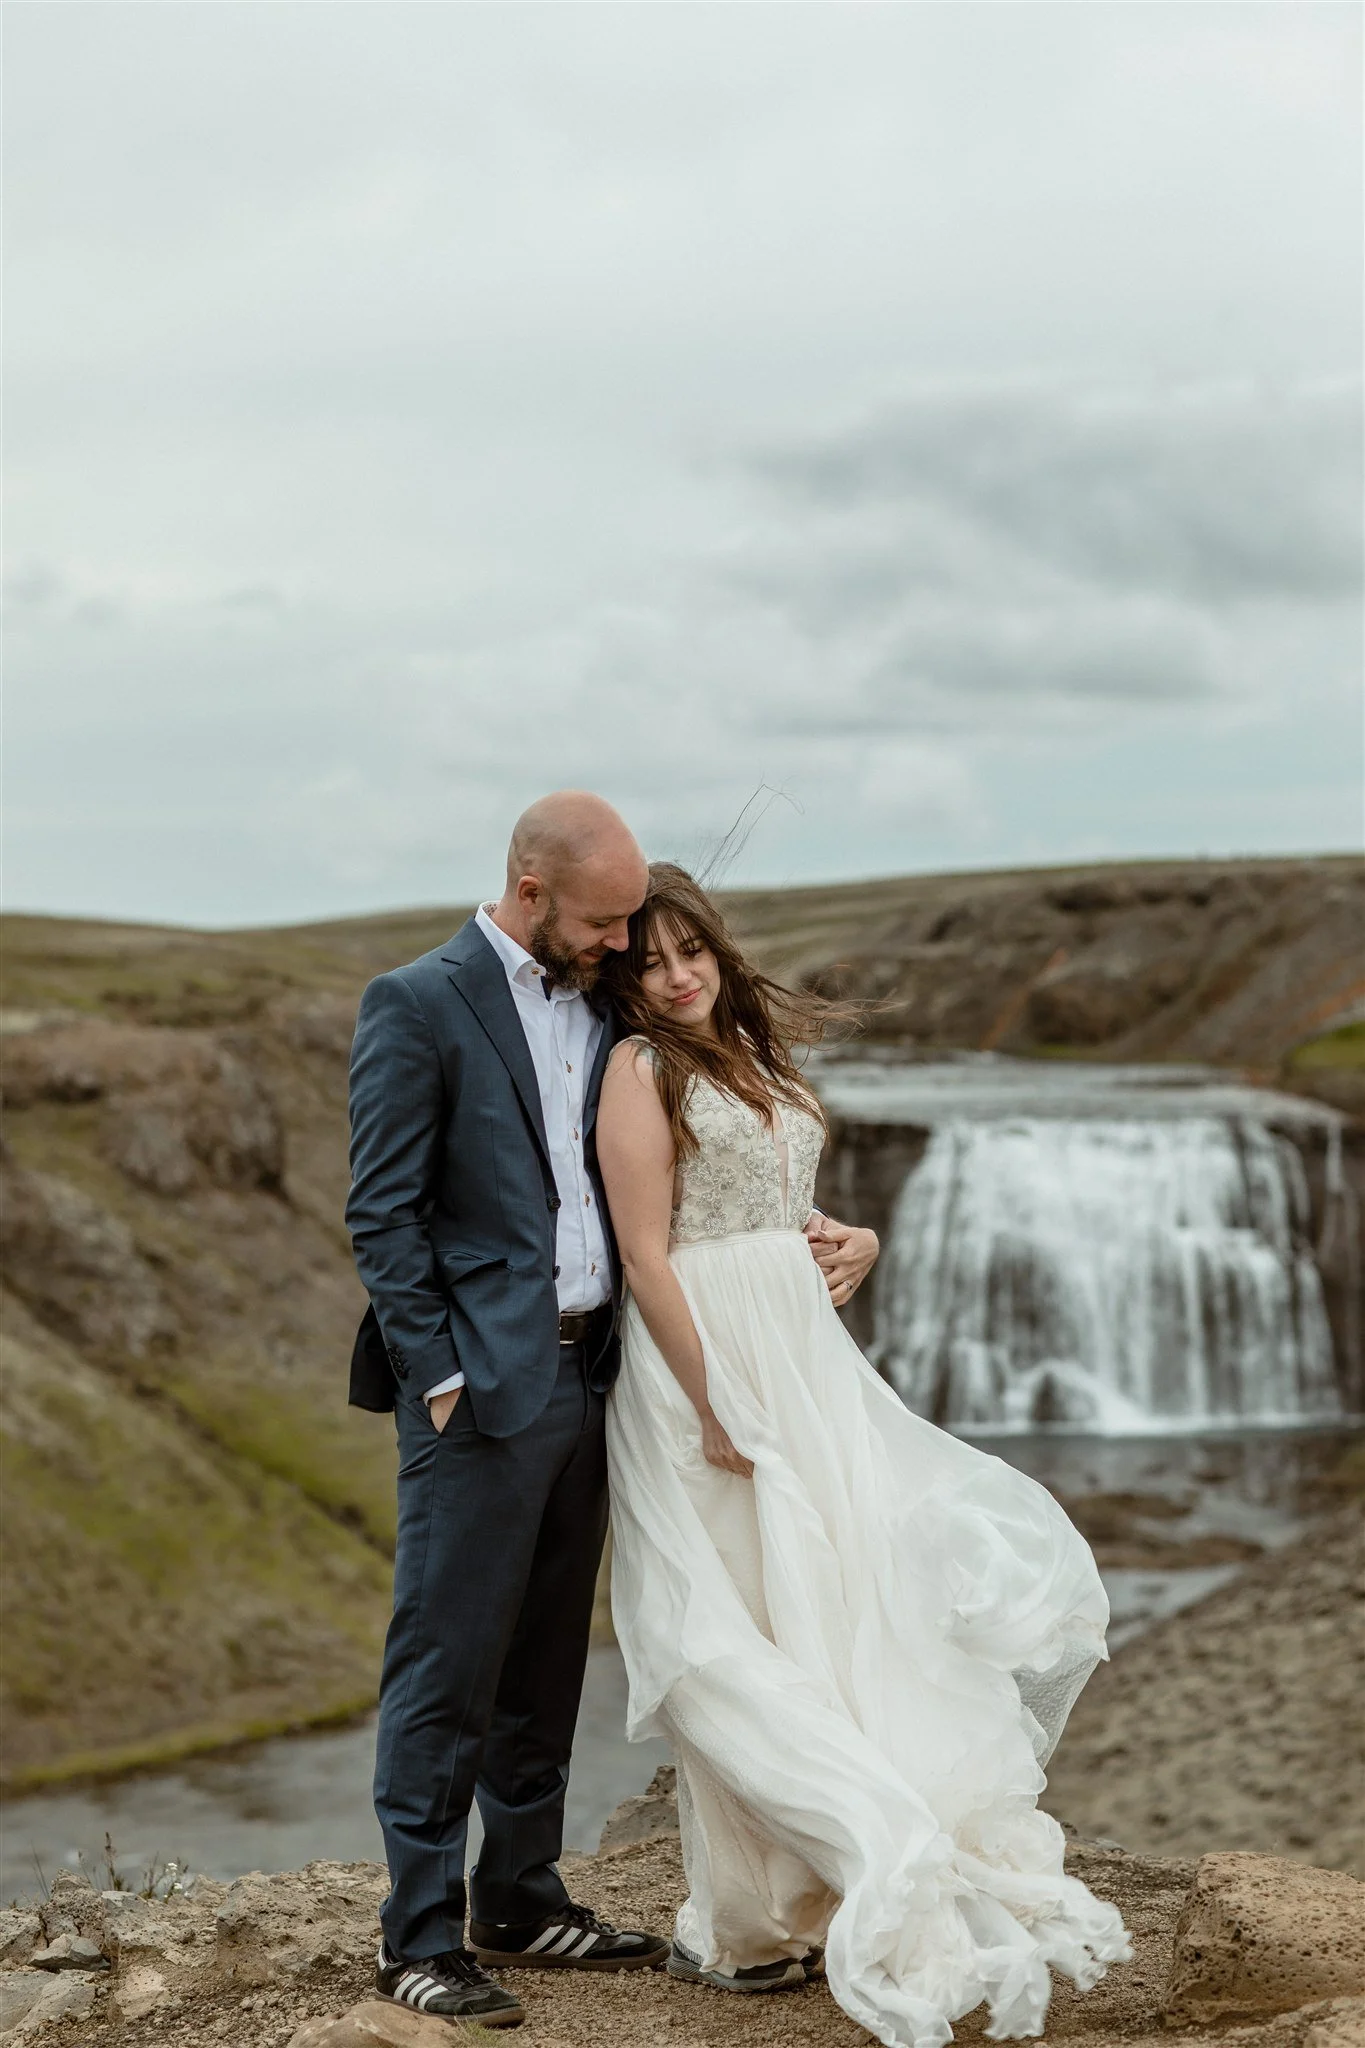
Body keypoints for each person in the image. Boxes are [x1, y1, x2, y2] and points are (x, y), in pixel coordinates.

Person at [345, 796, 877, 2027]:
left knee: (544, 1650)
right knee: (448, 1655)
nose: (622, 939)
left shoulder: (603, 997)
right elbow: (385, 1212)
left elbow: (698, 1179)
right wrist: (439, 1373)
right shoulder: (416, 1003)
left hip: (604, 1374)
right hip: (481, 1386)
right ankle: (417, 1935)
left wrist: (821, 1233)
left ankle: (520, 1896)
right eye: (603, 918)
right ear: (530, 890)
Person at [595, 863, 1131, 2048]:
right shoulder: (640, 1070)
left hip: (802, 1356)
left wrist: (862, 1236)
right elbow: (647, 1255)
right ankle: (744, 1921)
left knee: (832, 1601)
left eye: (689, 950)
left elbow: (788, 1202)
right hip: (709, 1363)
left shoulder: (749, 1046)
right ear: (623, 981)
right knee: (738, 1624)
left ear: (717, 948)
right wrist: (715, 1399)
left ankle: (803, 1895)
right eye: (647, 963)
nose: (676, 977)